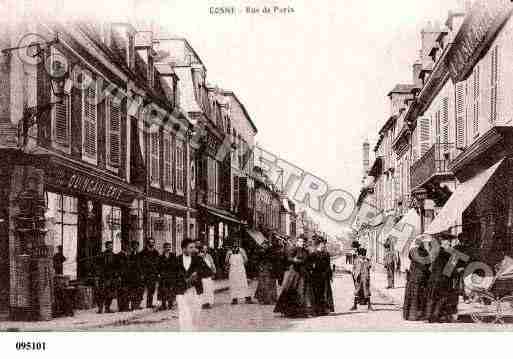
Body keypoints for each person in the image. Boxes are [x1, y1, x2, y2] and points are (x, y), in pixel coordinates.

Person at [274, 238, 315, 318]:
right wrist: (294, 260)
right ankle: (288, 311)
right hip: (294, 273)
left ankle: (301, 311)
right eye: (300, 241)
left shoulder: (306, 251)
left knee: (302, 291)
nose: (302, 243)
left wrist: (310, 266)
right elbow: (288, 258)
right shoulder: (293, 249)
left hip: (303, 273)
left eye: (303, 242)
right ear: (297, 242)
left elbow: (309, 261)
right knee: (291, 290)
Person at [425, 236, 460, 323]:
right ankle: (436, 316)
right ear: (444, 243)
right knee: (442, 298)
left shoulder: (435, 252)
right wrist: (457, 271)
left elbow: (431, 267)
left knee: (432, 297)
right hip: (443, 280)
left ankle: (429, 316)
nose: (450, 244)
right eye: (448, 243)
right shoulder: (448, 254)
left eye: (449, 243)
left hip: (433, 278)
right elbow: (449, 270)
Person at [175, 238, 206, 331]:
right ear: (183, 249)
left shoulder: (198, 259)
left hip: (195, 291)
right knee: (184, 315)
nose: (193, 249)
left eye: (194, 247)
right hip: (182, 292)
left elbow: (208, 271)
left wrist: (197, 273)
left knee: (194, 316)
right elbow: (170, 276)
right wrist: (183, 280)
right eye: (191, 247)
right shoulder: (176, 260)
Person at [402, 238, 430, 321]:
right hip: (421, 278)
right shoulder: (425, 253)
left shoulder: (412, 252)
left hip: (412, 277)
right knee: (419, 296)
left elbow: (409, 261)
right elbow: (427, 266)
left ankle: (408, 315)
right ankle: (418, 315)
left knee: (411, 297)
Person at [311, 237, 334, 316]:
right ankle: (316, 310)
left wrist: (330, 275)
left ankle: (324, 310)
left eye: (324, 244)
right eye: (322, 244)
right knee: (316, 293)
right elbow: (310, 265)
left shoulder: (326, 254)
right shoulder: (313, 254)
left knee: (325, 293)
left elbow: (328, 265)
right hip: (316, 276)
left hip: (325, 276)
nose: (324, 245)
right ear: (318, 245)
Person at [226, 240, 253, 304]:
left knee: (243, 283)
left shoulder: (242, 250)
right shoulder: (229, 252)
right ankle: (234, 299)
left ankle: (247, 297)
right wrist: (229, 258)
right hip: (233, 270)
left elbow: (246, 259)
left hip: (240, 269)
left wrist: (241, 263)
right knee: (233, 284)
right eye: (234, 243)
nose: (235, 245)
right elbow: (226, 261)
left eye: (236, 243)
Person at [95, 241, 118, 314]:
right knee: (102, 293)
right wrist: (99, 275)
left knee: (110, 294)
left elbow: (116, 267)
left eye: (111, 246)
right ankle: (100, 308)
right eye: (109, 246)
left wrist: (115, 275)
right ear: (106, 246)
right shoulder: (102, 255)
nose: (111, 247)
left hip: (111, 277)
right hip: (103, 277)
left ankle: (107, 308)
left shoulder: (114, 256)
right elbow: (98, 266)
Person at [254, 239, 279, 305]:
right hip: (263, 269)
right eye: (263, 245)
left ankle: (270, 299)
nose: (264, 246)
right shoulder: (260, 251)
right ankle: (264, 299)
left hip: (269, 269)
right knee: (263, 284)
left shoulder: (271, 251)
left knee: (269, 284)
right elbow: (256, 260)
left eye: (266, 245)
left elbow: (275, 260)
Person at [139, 238, 160, 308]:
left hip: (153, 274)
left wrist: (157, 273)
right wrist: (142, 273)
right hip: (145, 274)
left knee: (151, 289)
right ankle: (138, 304)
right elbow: (140, 264)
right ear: (147, 243)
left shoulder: (156, 252)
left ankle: (149, 303)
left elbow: (158, 263)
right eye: (150, 242)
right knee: (141, 289)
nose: (152, 244)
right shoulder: (142, 253)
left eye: (153, 242)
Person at [158, 242, 178, 310]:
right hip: (163, 276)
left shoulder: (173, 256)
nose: (168, 248)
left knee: (171, 290)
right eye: (166, 247)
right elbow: (159, 266)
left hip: (171, 275)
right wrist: (159, 274)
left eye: (169, 247)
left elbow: (175, 266)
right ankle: (163, 304)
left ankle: (170, 304)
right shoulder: (161, 257)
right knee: (163, 290)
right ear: (164, 248)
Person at [127, 240, 143, 311]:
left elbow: (143, 265)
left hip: (139, 276)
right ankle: (133, 305)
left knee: (139, 291)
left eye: (136, 246)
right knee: (133, 291)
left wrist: (142, 274)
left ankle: (138, 305)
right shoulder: (129, 256)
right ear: (132, 247)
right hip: (132, 276)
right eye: (134, 246)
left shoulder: (141, 255)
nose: (135, 247)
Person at [199, 244, 216, 309]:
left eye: (206, 249)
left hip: (208, 274)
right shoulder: (199, 256)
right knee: (203, 289)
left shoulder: (209, 256)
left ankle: (208, 302)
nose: (205, 250)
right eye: (204, 249)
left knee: (209, 289)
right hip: (202, 275)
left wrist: (213, 272)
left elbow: (212, 264)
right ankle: (203, 303)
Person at [116, 243, 130, 312]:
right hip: (121, 276)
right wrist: (118, 276)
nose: (127, 248)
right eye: (125, 246)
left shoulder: (128, 255)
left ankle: (126, 306)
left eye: (127, 246)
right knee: (121, 291)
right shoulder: (119, 255)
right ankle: (121, 307)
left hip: (128, 276)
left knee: (127, 291)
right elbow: (117, 267)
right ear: (122, 247)